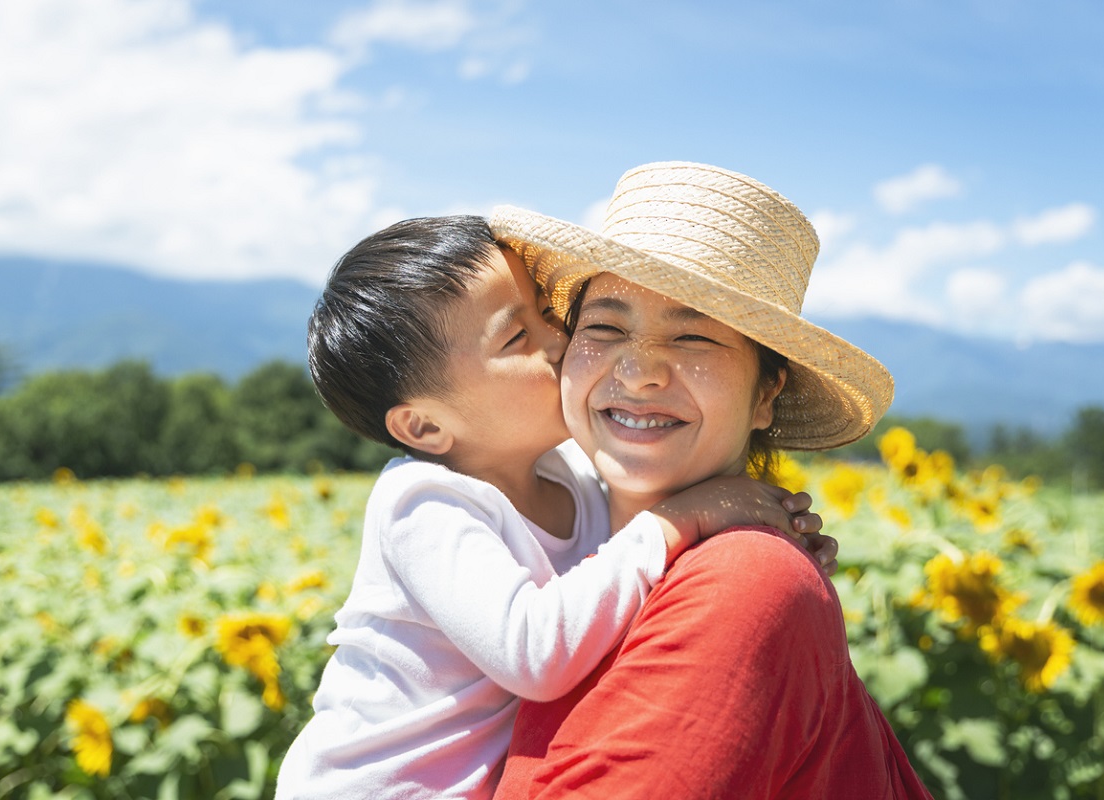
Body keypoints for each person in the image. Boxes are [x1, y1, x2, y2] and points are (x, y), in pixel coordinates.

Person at [274, 215, 835, 800]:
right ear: (424, 425)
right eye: (519, 337)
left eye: (549, 316)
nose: (561, 343)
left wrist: (771, 528)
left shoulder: (574, 475)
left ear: (767, 392)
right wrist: (684, 517)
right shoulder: (424, 503)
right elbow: (534, 652)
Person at [489, 161, 934, 798]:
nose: (639, 371)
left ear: (766, 395)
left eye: (694, 336)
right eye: (606, 328)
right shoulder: (555, 549)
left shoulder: (744, 582)